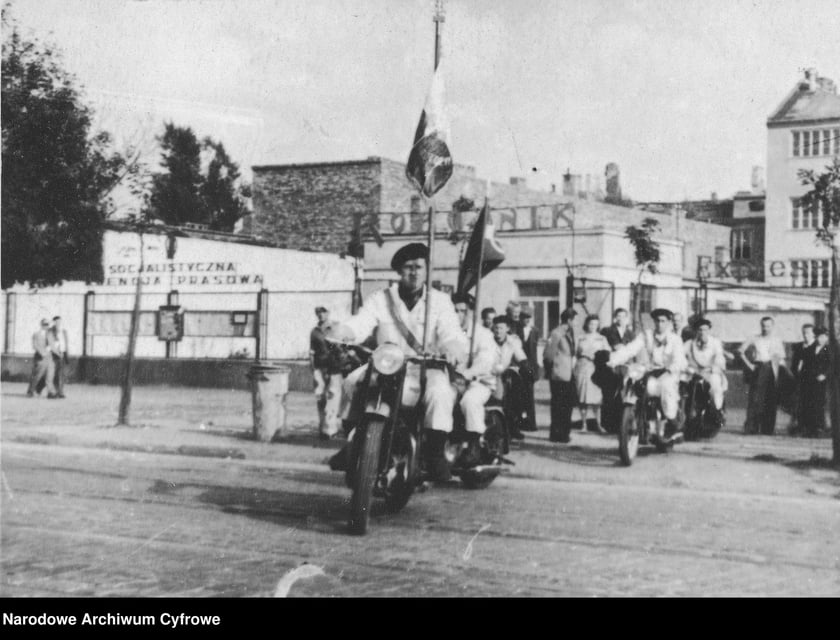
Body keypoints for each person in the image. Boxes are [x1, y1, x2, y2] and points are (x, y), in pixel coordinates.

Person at [328, 242, 468, 481]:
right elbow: (362, 322)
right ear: (398, 271)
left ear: (427, 271)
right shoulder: (381, 299)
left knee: (440, 393)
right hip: (387, 365)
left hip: (425, 366)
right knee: (352, 381)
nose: (413, 272)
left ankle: (435, 452)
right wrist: (345, 331)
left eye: (419, 267)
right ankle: (353, 440)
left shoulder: (440, 301)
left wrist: (453, 347)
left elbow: (450, 332)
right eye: (408, 267)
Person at [608, 308, 687, 443]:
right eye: (657, 321)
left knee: (667, 389)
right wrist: (614, 360)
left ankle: (672, 422)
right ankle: (637, 418)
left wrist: (672, 368)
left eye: (663, 321)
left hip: (668, 372)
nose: (659, 324)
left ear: (669, 323)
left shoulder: (675, 339)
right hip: (650, 370)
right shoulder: (647, 335)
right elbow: (630, 349)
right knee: (633, 382)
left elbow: (680, 358)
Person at [452, 293, 498, 464]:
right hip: (454, 380)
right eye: (454, 311)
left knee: (469, 402)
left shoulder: (482, 334)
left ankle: (474, 446)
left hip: (479, 382)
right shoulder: (448, 332)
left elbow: (484, 362)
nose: (458, 315)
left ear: (470, 312)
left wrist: (466, 374)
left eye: (462, 311)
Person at [738, 317, 787, 435]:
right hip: (759, 368)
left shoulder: (777, 340)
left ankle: (768, 429)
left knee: (771, 399)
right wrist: (749, 365)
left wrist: (781, 373)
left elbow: (781, 358)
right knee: (755, 399)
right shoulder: (755, 338)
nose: (766, 328)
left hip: (772, 368)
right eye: (763, 325)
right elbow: (740, 351)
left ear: (772, 326)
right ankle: (751, 428)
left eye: (768, 326)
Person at [488, 314, 531, 440]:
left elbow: (521, 357)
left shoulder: (512, 341)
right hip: (488, 372)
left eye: (501, 328)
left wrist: (526, 368)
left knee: (517, 390)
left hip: (504, 373)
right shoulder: (487, 340)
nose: (498, 331)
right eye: (495, 328)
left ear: (507, 329)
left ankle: (514, 426)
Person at [543, 308, 578, 443]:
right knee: (558, 405)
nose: (576, 323)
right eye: (574, 320)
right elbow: (548, 355)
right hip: (558, 375)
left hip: (568, 374)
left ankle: (564, 433)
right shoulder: (556, 333)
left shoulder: (569, 333)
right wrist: (552, 371)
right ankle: (556, 434)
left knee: (567, 405)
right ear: (568, 320)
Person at [310, 306, 343, 439]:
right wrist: (312, 368)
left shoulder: (335, 328)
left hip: (334, 368)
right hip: (319, 368)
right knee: (320, 398)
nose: (321, 314)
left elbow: (342, 348)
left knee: (332, 397)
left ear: (328, 313)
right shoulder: (314, 331)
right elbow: (311, 352)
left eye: (323, 311)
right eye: (318, 312)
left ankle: (331, 430)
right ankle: (322, 428)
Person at [600, 308, 635, 432]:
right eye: (618, 316)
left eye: (623, 316)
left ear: (627, 318)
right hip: (612, 366)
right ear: (615, 318)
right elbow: (601, 347)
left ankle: (621, 424)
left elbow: (634, 349)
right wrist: (612, 348)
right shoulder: (607, 331)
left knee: (624, 394)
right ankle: (608, 425)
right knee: (609, 394)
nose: (620, 318)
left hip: (626, 366)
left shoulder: (631, 333)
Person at [573, 314, 610, 433]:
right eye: (590, 324)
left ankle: (599, 424)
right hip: (582, 367)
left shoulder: (602, 338)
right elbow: (574, 354)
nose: (593, 326)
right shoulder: (580, 338)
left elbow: (607, 353)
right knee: (582, 397)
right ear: (586, 324)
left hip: (596, 370)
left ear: (598, 325)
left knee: (597, 398)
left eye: (595, 324)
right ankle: (584, 424)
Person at [683, 318, 728, 414]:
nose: (703, 332)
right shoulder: (689, 344)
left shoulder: (715, 343)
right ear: (696, 331)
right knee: (682, 387)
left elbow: (719, 357)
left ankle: (716, 411)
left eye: (705, 329)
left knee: (715, 387)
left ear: (709, 330)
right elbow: (680, 357)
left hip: (710, 372)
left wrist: (714, 367)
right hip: (694, 373)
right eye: (700, 329)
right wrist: (687, 368)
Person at [799, 327, 829, 438]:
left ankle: (819, 428)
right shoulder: (810, 349)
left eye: (823, 337)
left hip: (821, 381)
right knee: (809, 403)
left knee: (819, 404)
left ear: (826, 337)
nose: (820, 339)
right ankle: (809, 428)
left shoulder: (829, 350)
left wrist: (824, 375)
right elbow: (805, 365)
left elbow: (832, 365)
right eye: (818, 337)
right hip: (809, 380)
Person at [790, 323, 816, 434]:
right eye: (804, 333)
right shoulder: (798, 347)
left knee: (811, 403)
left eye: (808, 333)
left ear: (813, 334)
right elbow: (794, 364)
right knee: (799, 403)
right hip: (799, 379)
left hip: (812, 380)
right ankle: (799, 426)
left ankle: (811, 427)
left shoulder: (817, 347)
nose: (806, 335)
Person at [518, 304, 539, 432]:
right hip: (520, 366)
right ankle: (520, 422)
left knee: (529, 396)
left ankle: (531, 423)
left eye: (528, 317)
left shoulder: (534, 331)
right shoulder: (516, 329)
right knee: (519, 395)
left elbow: (534, 352)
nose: (526, 320)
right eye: (524, 317)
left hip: (530, 367)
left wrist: (535, 370)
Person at [26, 318, 56, 398]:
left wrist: (56, 352)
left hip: (49, 358)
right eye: (45, 324)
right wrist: (42, 352)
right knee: (37, 376)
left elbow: (53, 345)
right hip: (40, 358)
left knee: (50, 376)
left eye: (47, 324)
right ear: (41, 325)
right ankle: (30, 391)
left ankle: (51, 393)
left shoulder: (50, 334)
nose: (46, 326)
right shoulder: (36, 334)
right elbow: (34, 345)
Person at [49, 316, 69, 398]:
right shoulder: (50, 331)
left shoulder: (64, 331)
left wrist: (66, 354)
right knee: (55, 374)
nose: (58, 323)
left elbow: (66, 343)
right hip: (54, 355)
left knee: (62, 374)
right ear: (53, 322)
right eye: (56, 322)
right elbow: (51, 344)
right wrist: (57, 353)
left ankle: (60, 391)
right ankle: (56, 391)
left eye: (59, 322)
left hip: (63, 354)